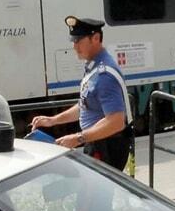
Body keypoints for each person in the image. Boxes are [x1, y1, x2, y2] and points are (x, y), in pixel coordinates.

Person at [30, 16, 133, 170]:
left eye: (79, 40)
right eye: (73, 41)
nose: (75, 46)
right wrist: (53, 120)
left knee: (96, 194)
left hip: (106, 146)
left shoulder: (104, 74)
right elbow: (85, 105)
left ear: (96, 38)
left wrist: (78, 138)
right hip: (97, 141)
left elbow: (116, 122)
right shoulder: (93, 67)